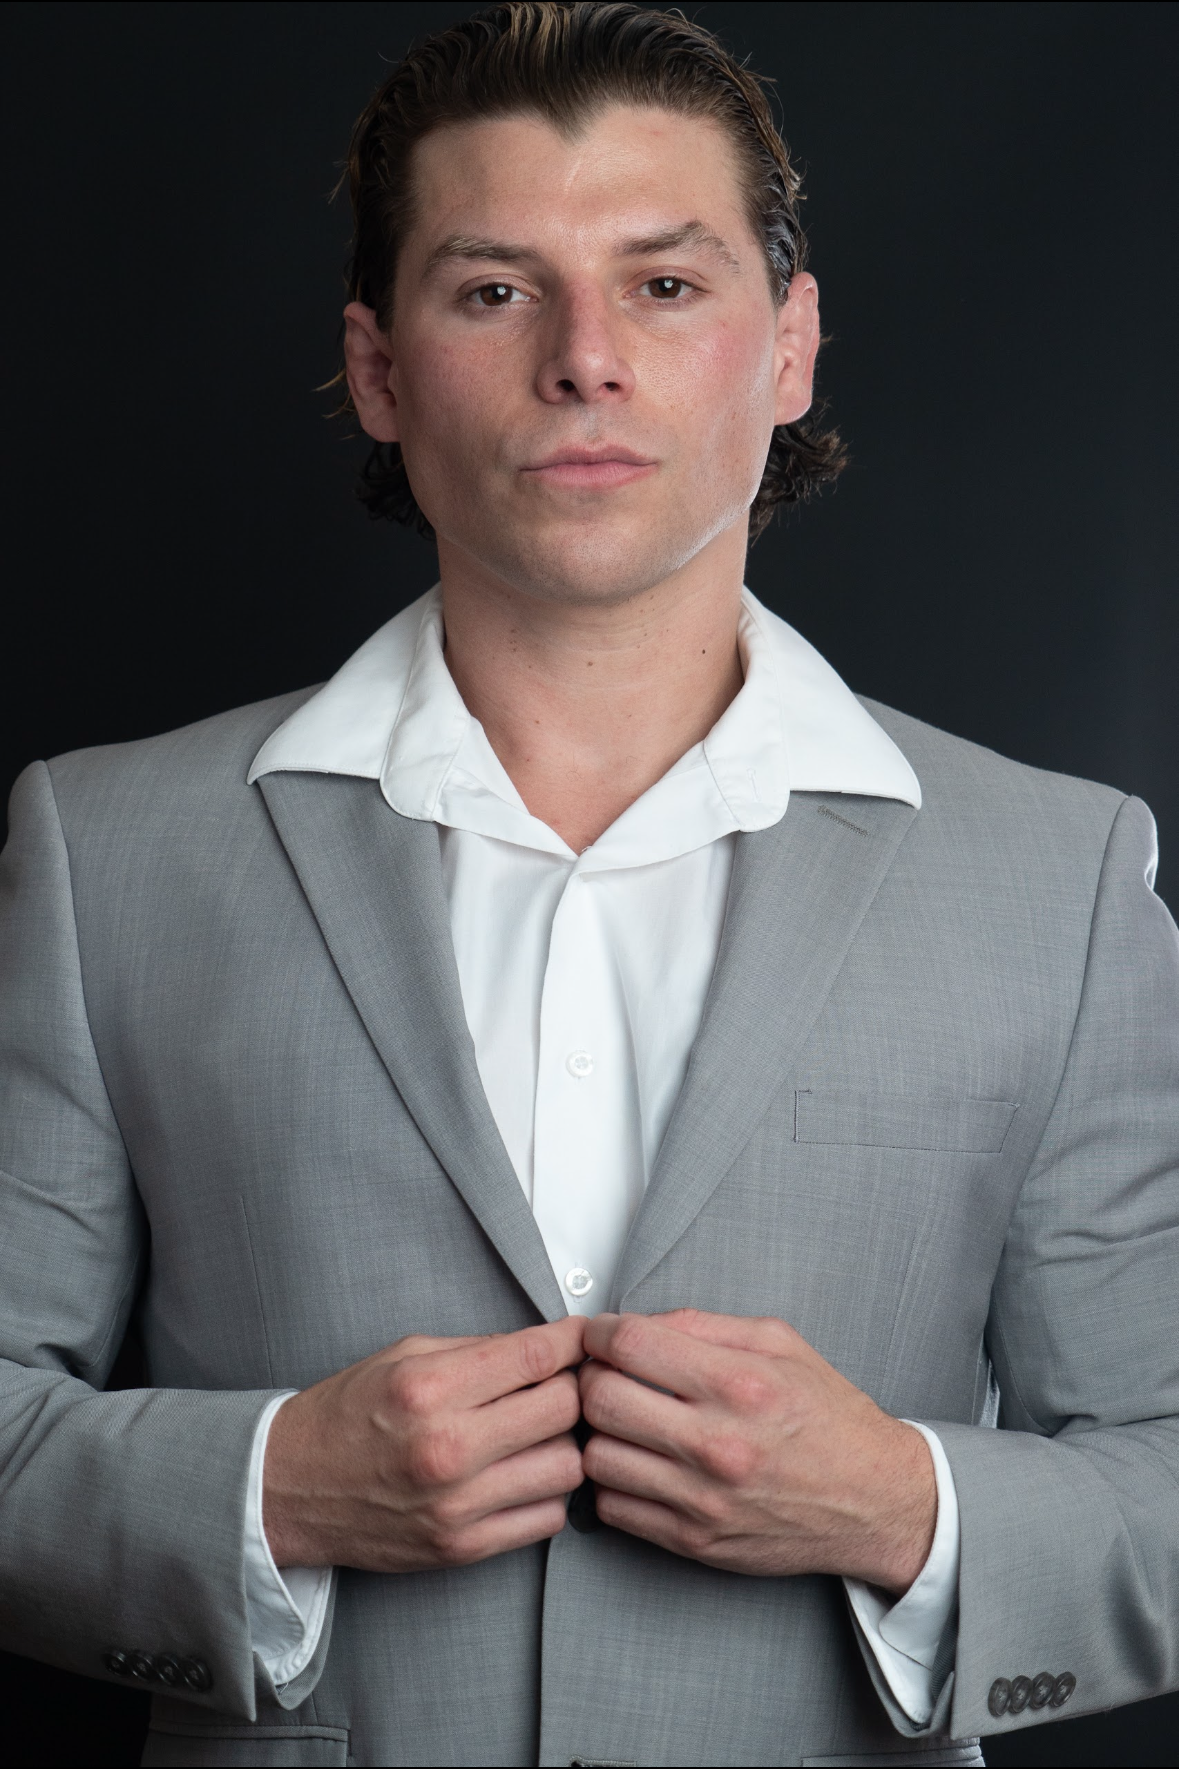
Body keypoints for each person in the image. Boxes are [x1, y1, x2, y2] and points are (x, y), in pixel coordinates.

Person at [1, 4, 1177, 1765]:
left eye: (665, 284)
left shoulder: (1058, 873)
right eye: (492, 289)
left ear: (787, 349)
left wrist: (898, 1508)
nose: (583, 359)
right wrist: (267, 1489)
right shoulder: (108, 851)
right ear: (380, 366)